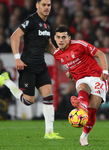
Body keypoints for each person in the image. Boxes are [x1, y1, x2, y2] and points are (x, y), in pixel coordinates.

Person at [0, 0, 63, 139]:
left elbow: (49, 46)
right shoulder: (31, 20)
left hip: (41, 65)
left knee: (48, 96)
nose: (47, 7)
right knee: (28, 101)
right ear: (37, 6)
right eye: (44, 5)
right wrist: (17, 58)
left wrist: (62, 56)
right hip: (27, 65)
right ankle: (6, 81)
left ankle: (49, 133)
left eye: (49, 5)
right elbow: (14, 36)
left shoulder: (47, 25)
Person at [47, 26, 109, 146]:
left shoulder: (80, 45)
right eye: (58, 37)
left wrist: (105, 71)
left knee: (92, 111)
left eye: (64, 37)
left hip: (97, 76)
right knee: (83, 87)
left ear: (69, 38)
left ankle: (83, 137)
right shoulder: (58, 54)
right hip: (81, 79)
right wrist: (70, 71)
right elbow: (68, 61)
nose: (61, 40)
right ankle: (82, 105)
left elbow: (101, 54)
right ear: (55, 38)